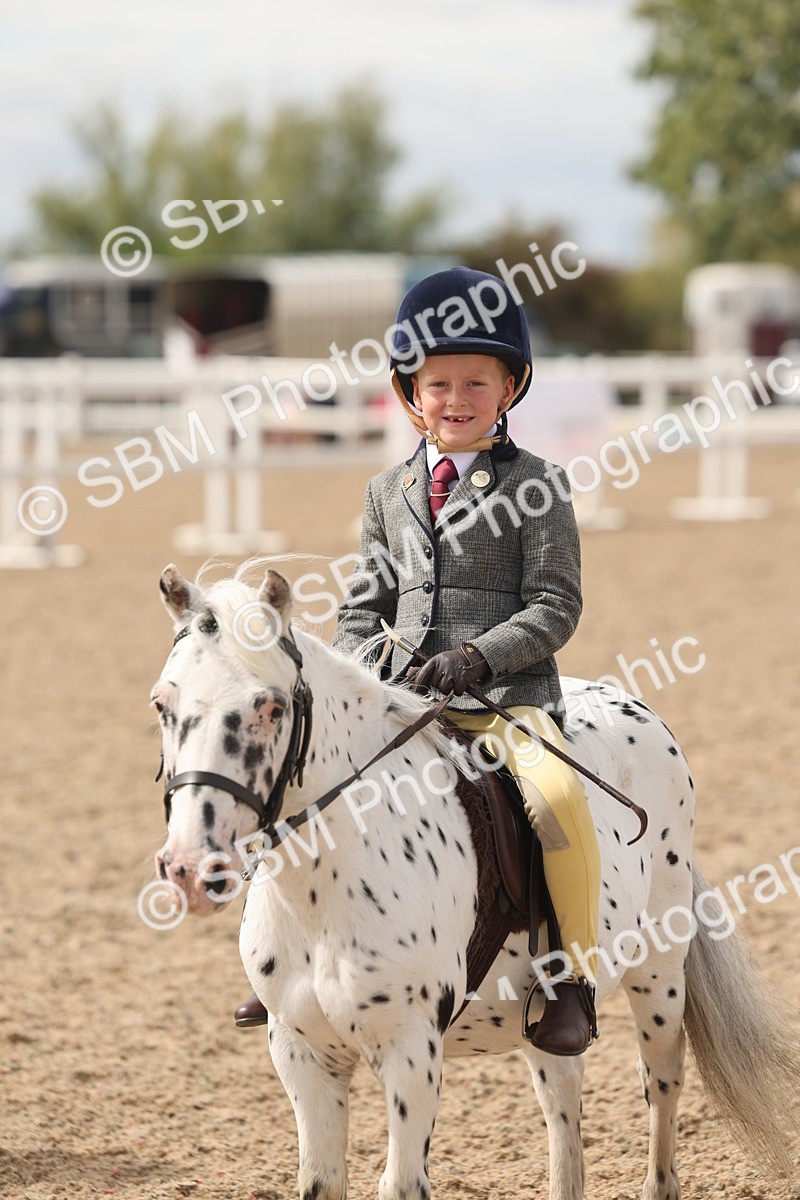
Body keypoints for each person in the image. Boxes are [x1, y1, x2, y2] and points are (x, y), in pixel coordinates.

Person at [235, 266, 601, 1055]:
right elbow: (363, 606)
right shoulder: (386, 491)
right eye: (439, 383)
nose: (457, 398)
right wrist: (367, 669)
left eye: (477, 380)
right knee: (296, 782)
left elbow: (556, 607)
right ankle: (282, 965)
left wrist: (478, 655)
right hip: (401, 702)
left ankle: (571, 976)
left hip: (507, 700)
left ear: (511, 387)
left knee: (557, 800)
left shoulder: (539, 485)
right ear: (411, 393)